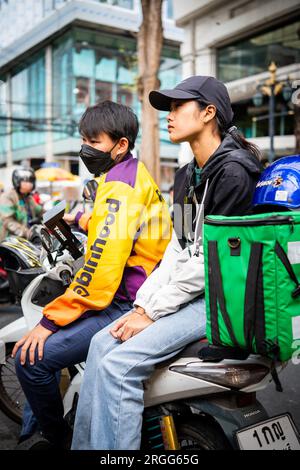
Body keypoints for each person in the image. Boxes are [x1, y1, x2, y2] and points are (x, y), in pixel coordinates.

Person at [71, 75, 263, 450]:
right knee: (99, 344)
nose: (169, 116)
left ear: (209, 113)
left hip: (221, 298)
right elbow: (180, 246)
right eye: (169, 108)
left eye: (178, 106)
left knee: (118, 366)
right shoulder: (188, 174)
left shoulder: (234, 173)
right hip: (194, 292)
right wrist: (144, 303)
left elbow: (208, 260)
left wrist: (153, 311)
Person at [12, 100, 172, 448]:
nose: (86, 149)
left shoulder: (117, 187)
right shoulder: (131, 173)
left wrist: (49, 322)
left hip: (124, 301)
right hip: (143, 288)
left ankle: (57, 439)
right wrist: (79, 219)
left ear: (121, 145)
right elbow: (118, 225)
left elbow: (99, 274)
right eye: (84, 139)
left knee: (30, 362)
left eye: (94, 141)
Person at [0, 167, 42, 242]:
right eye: (26, 181)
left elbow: (40, 211)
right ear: (17, 181)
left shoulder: (28, 197)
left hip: (26, 240)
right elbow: (8, 221)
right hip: (9, 241)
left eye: (31, 181)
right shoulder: (8, 196)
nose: (29, 184)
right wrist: (27, 232)